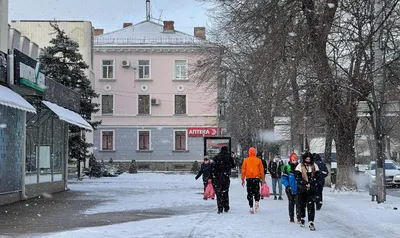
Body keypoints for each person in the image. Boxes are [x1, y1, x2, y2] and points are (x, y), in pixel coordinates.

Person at [295, 152, 323, 231]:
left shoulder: (314, 166)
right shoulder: (300, 166)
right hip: (302, 189)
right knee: (302, 204)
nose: (308, 160)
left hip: (311, 189)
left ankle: (311, 221)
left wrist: (311, 183)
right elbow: (297, 177)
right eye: (306, 159)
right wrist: (305, 183)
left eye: (309, 159)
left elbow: (318, 176)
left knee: (311, 206)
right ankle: (303, 217)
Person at [211, 146, 236, 214]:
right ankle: (226, 206)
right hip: (226, 177)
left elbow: (212, 167)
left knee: (219, 193)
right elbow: (233, 165)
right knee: (225, 192)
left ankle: (220, 207)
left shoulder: (216, 157)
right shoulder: (229, 157)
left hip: (217, 177)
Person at [241, 147, 265, 214]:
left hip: (249, 179)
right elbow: (261, 170)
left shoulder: (246, 160)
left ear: (249, 152)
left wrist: (243, 179)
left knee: (250, 193)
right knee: (256, 192)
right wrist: (262, 179)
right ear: (255, 153)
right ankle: (257, 201)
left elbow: (243, 170)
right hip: (256, 178)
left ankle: (251, 207)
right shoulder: (258, 160)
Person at [282, 153, 301, 223]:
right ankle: (291, 217)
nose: (294, 161)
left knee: (298, 203)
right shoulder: (287, 167)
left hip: (298, 188)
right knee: (291, 203)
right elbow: (283, 178)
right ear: (290, 159)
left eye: (295, 159)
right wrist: (287, 185)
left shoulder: (299, 167)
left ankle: (299, 217)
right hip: (289, 188)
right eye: (293, 159)